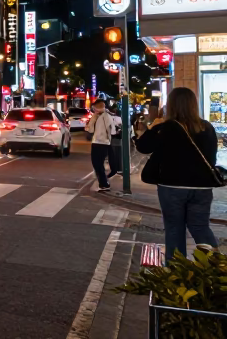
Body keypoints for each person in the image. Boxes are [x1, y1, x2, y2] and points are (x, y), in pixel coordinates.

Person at [135, 87, 220, 261]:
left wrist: (153, 127)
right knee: (201, 227)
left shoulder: (166, 128)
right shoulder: (207, 127)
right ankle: (215, 268)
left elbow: (142, 147)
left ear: (171, 105)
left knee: (174, 228)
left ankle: (175, 272)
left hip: (172, 185)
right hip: (202, 187)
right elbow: (212, 155)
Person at [85, 99, 120, 192]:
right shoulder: (96, 116)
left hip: (103, 143)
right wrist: (93, 119)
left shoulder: (106, 116)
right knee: (96, 164)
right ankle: (103, 183)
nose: (94, 109)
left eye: (95, 107)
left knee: (98, 164)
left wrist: (107, 139)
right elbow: (90, 130)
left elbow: (112, 131)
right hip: (96, 142)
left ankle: (104, 184)